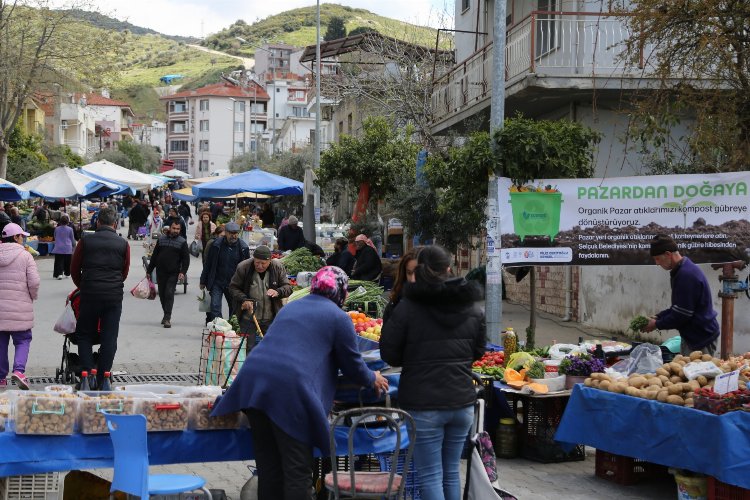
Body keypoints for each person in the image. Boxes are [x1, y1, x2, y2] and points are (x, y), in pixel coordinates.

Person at [211, 266, 389, 499]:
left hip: (254, 387)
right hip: (288, 394)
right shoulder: (338, 318)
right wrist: (372, 377)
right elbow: (352, 365)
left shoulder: (292, 307)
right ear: (341, 292)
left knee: (270, 470)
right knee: (297, 471)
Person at [380, 245, 486, 500]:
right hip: (461, 403)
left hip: (423, 403)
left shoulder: (408, 307)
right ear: (448, 269)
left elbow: (390, 354)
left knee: (430, 475)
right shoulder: (471, 307)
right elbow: (479, 351)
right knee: (451, 472)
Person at [71, 208, 130, 388]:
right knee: (109, 337)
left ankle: (87, 375)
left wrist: (83, 285)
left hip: (89, 294)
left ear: (97, 223)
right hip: (113, 297)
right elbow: (124, 272)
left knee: (84, 335)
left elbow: (74, 268)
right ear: (114, 224)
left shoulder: (85, 241)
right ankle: (104, 378)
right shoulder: (123, 243)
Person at [644, 234, 720, 355]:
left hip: (701, 338)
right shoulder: (682, 270)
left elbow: (682, 315)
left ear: (668, 254)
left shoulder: (686, 275)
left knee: (698, 373)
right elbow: (678, 308)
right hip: (694, 335)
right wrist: (659, 316)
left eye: (657, 259)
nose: (657, 263)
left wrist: (656, 324)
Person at [0, 223, 40, 390]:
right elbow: (34, 282)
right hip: (20, 306)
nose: (24, 239)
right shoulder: (25, 256)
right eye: (21, 236)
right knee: (23, 339)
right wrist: (32, 296)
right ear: (15, 237)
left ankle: (1, 377)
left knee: (0, 342)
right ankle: (19, 370)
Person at [228, 245, 292, 340]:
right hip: (249, 317)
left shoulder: (277, 267)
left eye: (263, 263)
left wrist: (278, 292)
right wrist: (244, 299)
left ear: (270, 260)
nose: (260, 266)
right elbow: (233, 288)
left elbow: (288, 288)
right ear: (253, 259)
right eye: (257, 262)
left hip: (270, 317)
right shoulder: (243, 267)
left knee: (270, 347)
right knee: (248, 348)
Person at [200, 222, 250, 321]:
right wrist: (203, 280)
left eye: (236, 233)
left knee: (234, 308)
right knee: (215, 306)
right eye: (231, 233)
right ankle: (219, 328)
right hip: (217, 281)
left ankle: (231, 328)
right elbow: (208, 264)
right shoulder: (216, 245)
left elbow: (247, 268)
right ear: (226, 233)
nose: (234, 235)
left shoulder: (243, 248)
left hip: (233, 284)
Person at [146, 220, 190, 328]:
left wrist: (182, 272)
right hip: (161, 272)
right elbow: (155, 256)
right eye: (174, 228)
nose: (176, 230)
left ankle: (167, 318)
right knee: (162, 294)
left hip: (173, 272)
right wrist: (149, 270)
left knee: (169, 293)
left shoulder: (182, 242)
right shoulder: (161, 240)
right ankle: (165, 313)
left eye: (178, 229)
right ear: (170, 228)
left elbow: (186, 260)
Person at [382, 246, 421, 324]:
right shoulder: (397, 300)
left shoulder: (441, 307)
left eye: (418, 272)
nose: (413, 279)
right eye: (409, 273)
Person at [51, 214, 77, 279]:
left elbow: (55, 236)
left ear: (60, 221)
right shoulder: (70, 229)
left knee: (59, 261)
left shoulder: (57, 229)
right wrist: (74, 245)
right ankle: (67, 273)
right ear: (68, 222)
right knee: (68, 261)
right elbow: (72, 238)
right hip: (68, 247)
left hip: (59, 247)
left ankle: (59, 274)